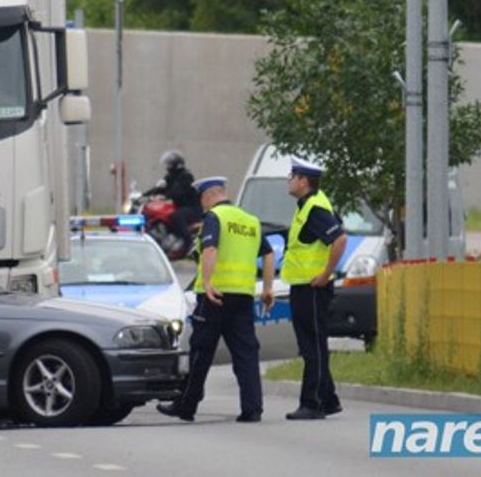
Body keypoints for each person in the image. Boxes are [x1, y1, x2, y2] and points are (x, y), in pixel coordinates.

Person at [157, 176, 275, 423]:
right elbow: (269, 253)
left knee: (201, 351)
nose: (201, 204)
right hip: (242, 296)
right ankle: (252, 408)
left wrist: (208, 283)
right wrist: (267, 289)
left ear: (209, 195)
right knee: (246, 353)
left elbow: (210, 249)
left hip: (215, 296)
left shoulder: (214, 217)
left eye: (201, 198)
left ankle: (186, 406)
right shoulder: (250, 220)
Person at [283, 157, 347, 420]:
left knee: (313, 346)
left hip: (313, 287)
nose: (289, 180)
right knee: (312, 343)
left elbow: (339, 239)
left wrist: (325, 274)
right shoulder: (306, 206)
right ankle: (329, 399)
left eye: (292, 176)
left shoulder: (315, 208)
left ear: (303, 181)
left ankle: (313, 402)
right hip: (304, 285)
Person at [149, 150, 203, 253]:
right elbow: (160, 187)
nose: (167, 167)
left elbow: (177, 192)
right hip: (180, 207)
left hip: (193, 209)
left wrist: (164, 196)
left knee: (176, 216)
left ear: (175, 165)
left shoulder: (186, 176)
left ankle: (189, 244)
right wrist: (144, 195)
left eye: (168, 165)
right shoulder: (170, 176)